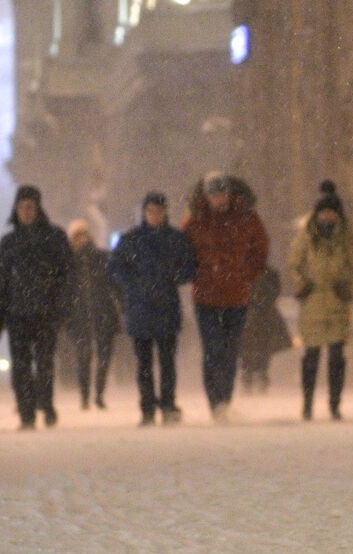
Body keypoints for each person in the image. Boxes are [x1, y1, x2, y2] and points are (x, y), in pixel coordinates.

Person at [181, 172, 267, 422]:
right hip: (206, 297)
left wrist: (245, 274)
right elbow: (182, 251)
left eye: (221, 194)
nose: (218, 199)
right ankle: (215, 401)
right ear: (206, 197)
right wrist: (194, 273)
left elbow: (260, 249)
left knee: (229, 351)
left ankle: (224, 400)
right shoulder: (195, 221)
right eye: (213, 195)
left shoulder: (247, 219)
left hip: (236, 296)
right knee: (212, 350)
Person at [108, 192, 196, 426]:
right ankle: (148, 408)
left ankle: (167, 405)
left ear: (164, 212)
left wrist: (170, 278)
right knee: (144, 364)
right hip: (141, 310)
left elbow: (189, 267)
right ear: (144, 213)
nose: (154, 215)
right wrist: (135, 283)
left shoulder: (175, 239)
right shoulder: (131, 240)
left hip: (166, 308)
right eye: (150, 211)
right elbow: (115, 268)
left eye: (158, 211)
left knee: (167, 363)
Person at [0, 185, 73, 430]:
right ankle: (27, 413)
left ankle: (46, 405)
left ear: (38, 209)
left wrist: (62, 306)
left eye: (30, 207)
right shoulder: (8, 242)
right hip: (17, 315)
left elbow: (67, 276)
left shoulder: (55, 237)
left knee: (45, 363)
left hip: (46, 313)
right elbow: (0, 280)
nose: (26, 211)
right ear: (16, 209)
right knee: (21, 367)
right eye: (22, 207)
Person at [287, 181, 353, 421]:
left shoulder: (345, 236)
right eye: (323, 212)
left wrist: (345, 284)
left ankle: (334, 405)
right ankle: (307, 405)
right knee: (312, 356)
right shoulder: (307, 235)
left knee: (337, 357)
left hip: (337, 302)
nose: (327, 216)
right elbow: (294, 264)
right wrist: (303, 285)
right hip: (313, 302)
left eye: (331, 212)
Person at [64, 219, 122, 411]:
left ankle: (98, 394)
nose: (81, 240)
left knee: (104, 356)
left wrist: (121, 305)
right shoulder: (68, 263)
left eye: (83, 235)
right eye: (77, 236)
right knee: (83, 357)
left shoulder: (102, 258)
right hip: (78, 316)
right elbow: (64, 290)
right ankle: (85, 396)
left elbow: (115, 285)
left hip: (103, 313)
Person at [239, 266, 290, 395]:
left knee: (254, 349)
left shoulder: (245, 271)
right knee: (257, 349)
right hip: (259, 318)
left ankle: (252, 378)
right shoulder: (268, 273)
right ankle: (255, 378)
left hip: (256, 318)